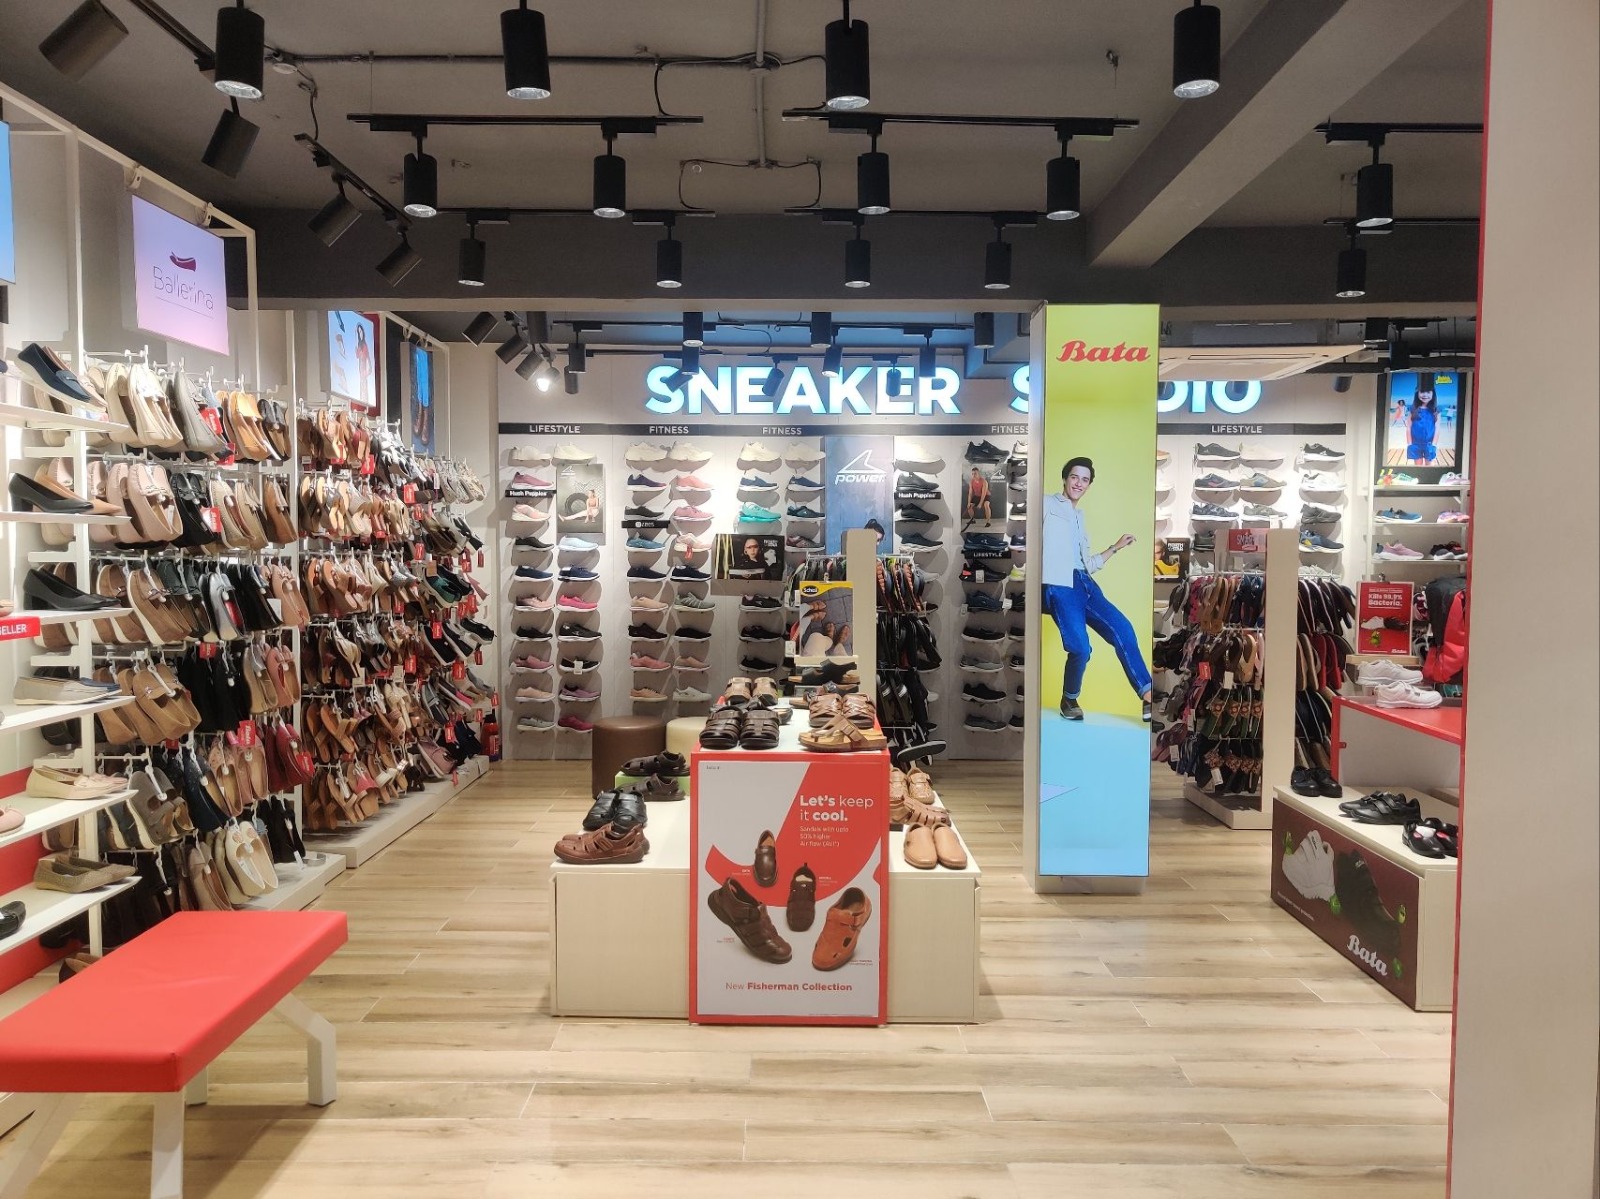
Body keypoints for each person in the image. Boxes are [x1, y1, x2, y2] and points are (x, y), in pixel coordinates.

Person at [1041, 456, 1153, 722]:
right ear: (1065, 478)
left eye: (1085, 480)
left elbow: (1087, 563)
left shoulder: (1080, 517)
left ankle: (1149, 695)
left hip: (1086, 584)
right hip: (1060, 584)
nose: (1079, 483)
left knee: (1123, 629)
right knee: (1081, 648)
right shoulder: (1045, 503)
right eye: (1074, 477)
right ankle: (1069, 699)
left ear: (1089, 485)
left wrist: (1115, 547)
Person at [1407, 379, 1439, 464]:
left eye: (1428, 392)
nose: (1425, 395)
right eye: (1422, 392)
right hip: (1415, 444)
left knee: (1429, 466)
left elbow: (1437, 428)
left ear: (1433, 393)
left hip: (1429, 444)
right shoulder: (1413, 409)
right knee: (1418, 467)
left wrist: (1434, 444)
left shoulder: (1435, 410)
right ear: (1417, 393)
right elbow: (1408, 427)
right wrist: (1410, 444)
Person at [355, 323, 372, 407]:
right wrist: (357, 350)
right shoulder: (359, 344)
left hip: (364, 365)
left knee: (364, 382)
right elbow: (357, 356)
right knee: (362, 383)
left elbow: (367, 356)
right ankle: (362, 399)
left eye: (361, 331)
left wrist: (370, 367)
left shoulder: (364, 344)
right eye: (359, 332)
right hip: (360, 365)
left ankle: (365, 400)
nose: (360, 333)